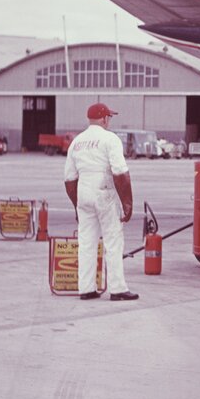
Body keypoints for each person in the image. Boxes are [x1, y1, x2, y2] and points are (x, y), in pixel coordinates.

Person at [64, 102, 138, 301]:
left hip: (83, 193)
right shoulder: (110, 139)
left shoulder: (76, 142)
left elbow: (69, 179)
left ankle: (86, 289)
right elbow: (120, 172)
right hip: (103, 191)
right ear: (104, 118)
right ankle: (117, 289)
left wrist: (76, 205)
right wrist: (127, 203)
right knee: (113, 241)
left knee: (87, 243)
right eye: (109, 118)